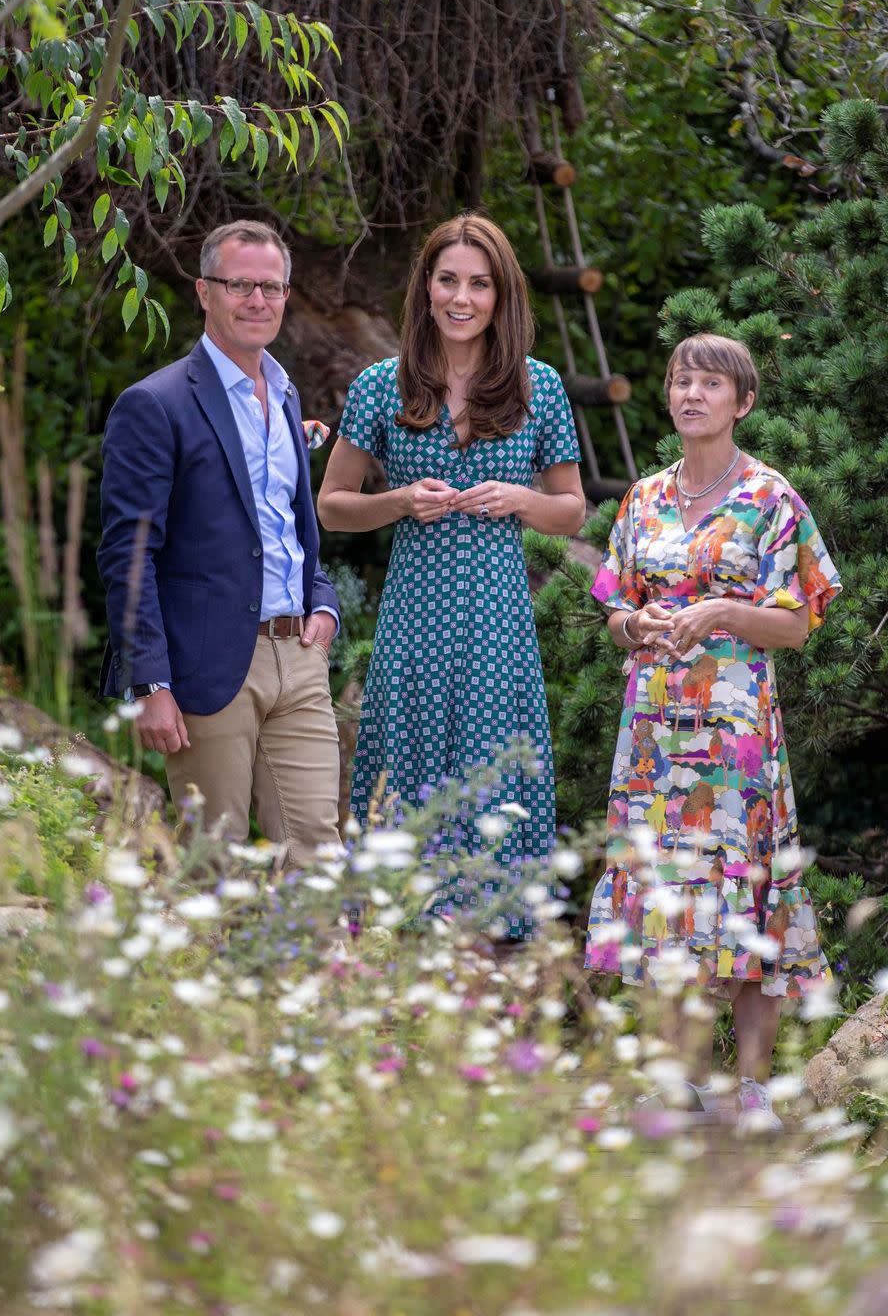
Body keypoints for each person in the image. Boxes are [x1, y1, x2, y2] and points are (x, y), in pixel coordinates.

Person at [584, 332, 841, 1127]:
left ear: (744, 402)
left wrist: (726, 612)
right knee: (666, 895)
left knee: (745, 889)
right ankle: (684, 1081)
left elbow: (800, 626)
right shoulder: (643, 499)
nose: (692, 394)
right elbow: (612, 606)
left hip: (734, 740)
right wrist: (636, 625)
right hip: (655, 736)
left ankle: (754, 1087)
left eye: (710, 384)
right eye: (681, 381)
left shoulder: (771, 498)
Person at [318, 213, 585, 938]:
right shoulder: (381, 385)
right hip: (415, 618)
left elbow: (572, 512)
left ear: (502, 296)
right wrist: (398, 501)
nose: (461, 298)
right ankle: (401, 944)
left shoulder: (539, 386)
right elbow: (333, 507)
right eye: (448, 281)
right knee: (406, 770)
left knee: (494, 774)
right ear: (425, 288)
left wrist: (524, 500)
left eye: (479, 283)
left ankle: (494, 949)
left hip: (498, 625)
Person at [97, 219, 342, 866]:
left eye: (271, 287)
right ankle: (201, 970)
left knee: (317, 855)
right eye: (240, 285)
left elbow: (288, 522)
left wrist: (322, 601)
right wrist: (149, 680)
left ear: (287, 295)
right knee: (215, 861)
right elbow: (129, 555)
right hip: (205, 666)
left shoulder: (285, 395)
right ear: (205, 291)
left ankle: (319, 972)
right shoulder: (156, 405)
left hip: (300, 657)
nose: (257, 300)